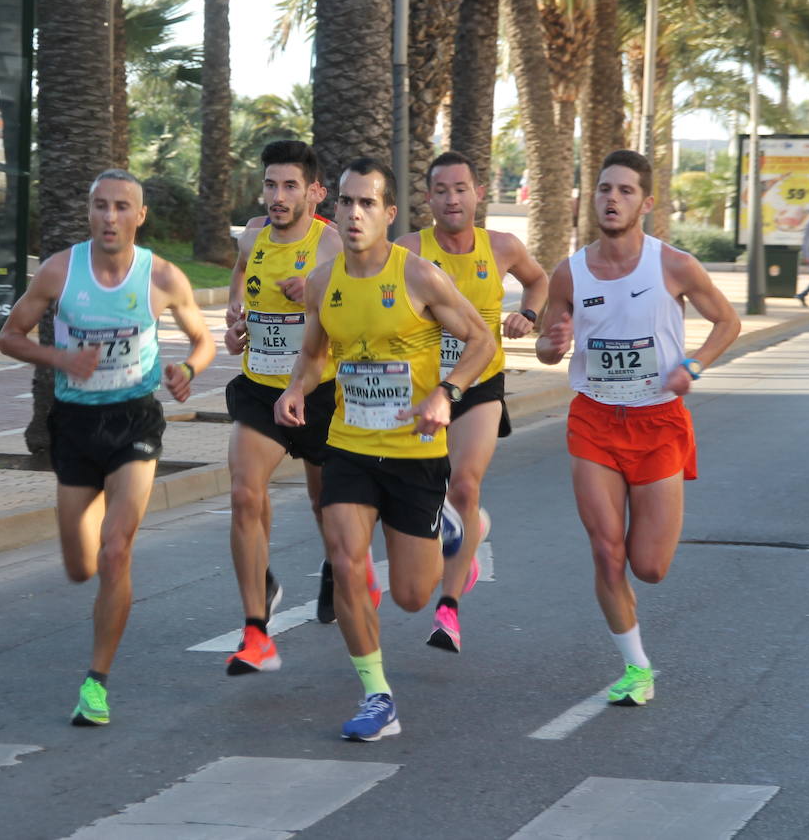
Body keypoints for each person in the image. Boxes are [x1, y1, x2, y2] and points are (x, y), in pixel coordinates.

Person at [275, 158, 492, 740]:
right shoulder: (324, 283)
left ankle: (452, 527)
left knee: (411, 594)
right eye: (345, 202)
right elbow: (316, 356)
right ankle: (377, 695)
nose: (353, 214)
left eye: (367, 203)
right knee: (346, 563)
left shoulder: (419, 276)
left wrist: (447, 393)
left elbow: (481, 339)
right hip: (347, 444)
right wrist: (297, 387)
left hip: (414, 452)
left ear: (389, 214)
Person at [0, 169, 215, 726]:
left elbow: (203, 339)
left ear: (139, 216)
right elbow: (10, 335)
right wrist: (63, 360)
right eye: (100, 206)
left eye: (122, 207)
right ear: (89, 212)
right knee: (80, 565)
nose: (110, 217)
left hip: (135, 419)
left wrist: (188, 369)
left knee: (116, 550)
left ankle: (96, 683)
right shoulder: (59, 272)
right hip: (74, 423)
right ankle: (88, 568)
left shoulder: (162, 277)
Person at [535, 150, 739, 707]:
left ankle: (631, 593)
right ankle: (636, 667)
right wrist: (551, 346)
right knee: (606, 552)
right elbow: (549, 346)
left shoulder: (673, 264)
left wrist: (693, 364)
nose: (612, 199)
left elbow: (728, 320)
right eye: (604, 188)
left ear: (646, 203)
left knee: (648, 566)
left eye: (625, 191)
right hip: (595, 418)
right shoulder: (569, 272)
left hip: (657, 420)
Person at [396, 150, 548, 654]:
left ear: (478, 193)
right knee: (433, 488)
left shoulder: (501, 246)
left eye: (461, 188)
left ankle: (449, 609)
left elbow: (539, 280)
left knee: (464, 482)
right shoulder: (408, 251)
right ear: (429, 198)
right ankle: (473, 526)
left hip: (481, 381)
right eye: (441, 190)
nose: (452, 198)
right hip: (423, 385)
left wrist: (529, 313)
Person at [220, 141, 344, 675]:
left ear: (313, 191)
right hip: (260, 389)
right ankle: (256, 625)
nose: (277, 195)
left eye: (290, 185)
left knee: (324, 505)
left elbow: (352, 310)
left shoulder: (331, 242)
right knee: (245, 493)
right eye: (271, 184)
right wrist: (236, 317)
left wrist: (315, 296)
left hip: (316, 391)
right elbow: (242, 271)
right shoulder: (252, 234)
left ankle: (335, 569)